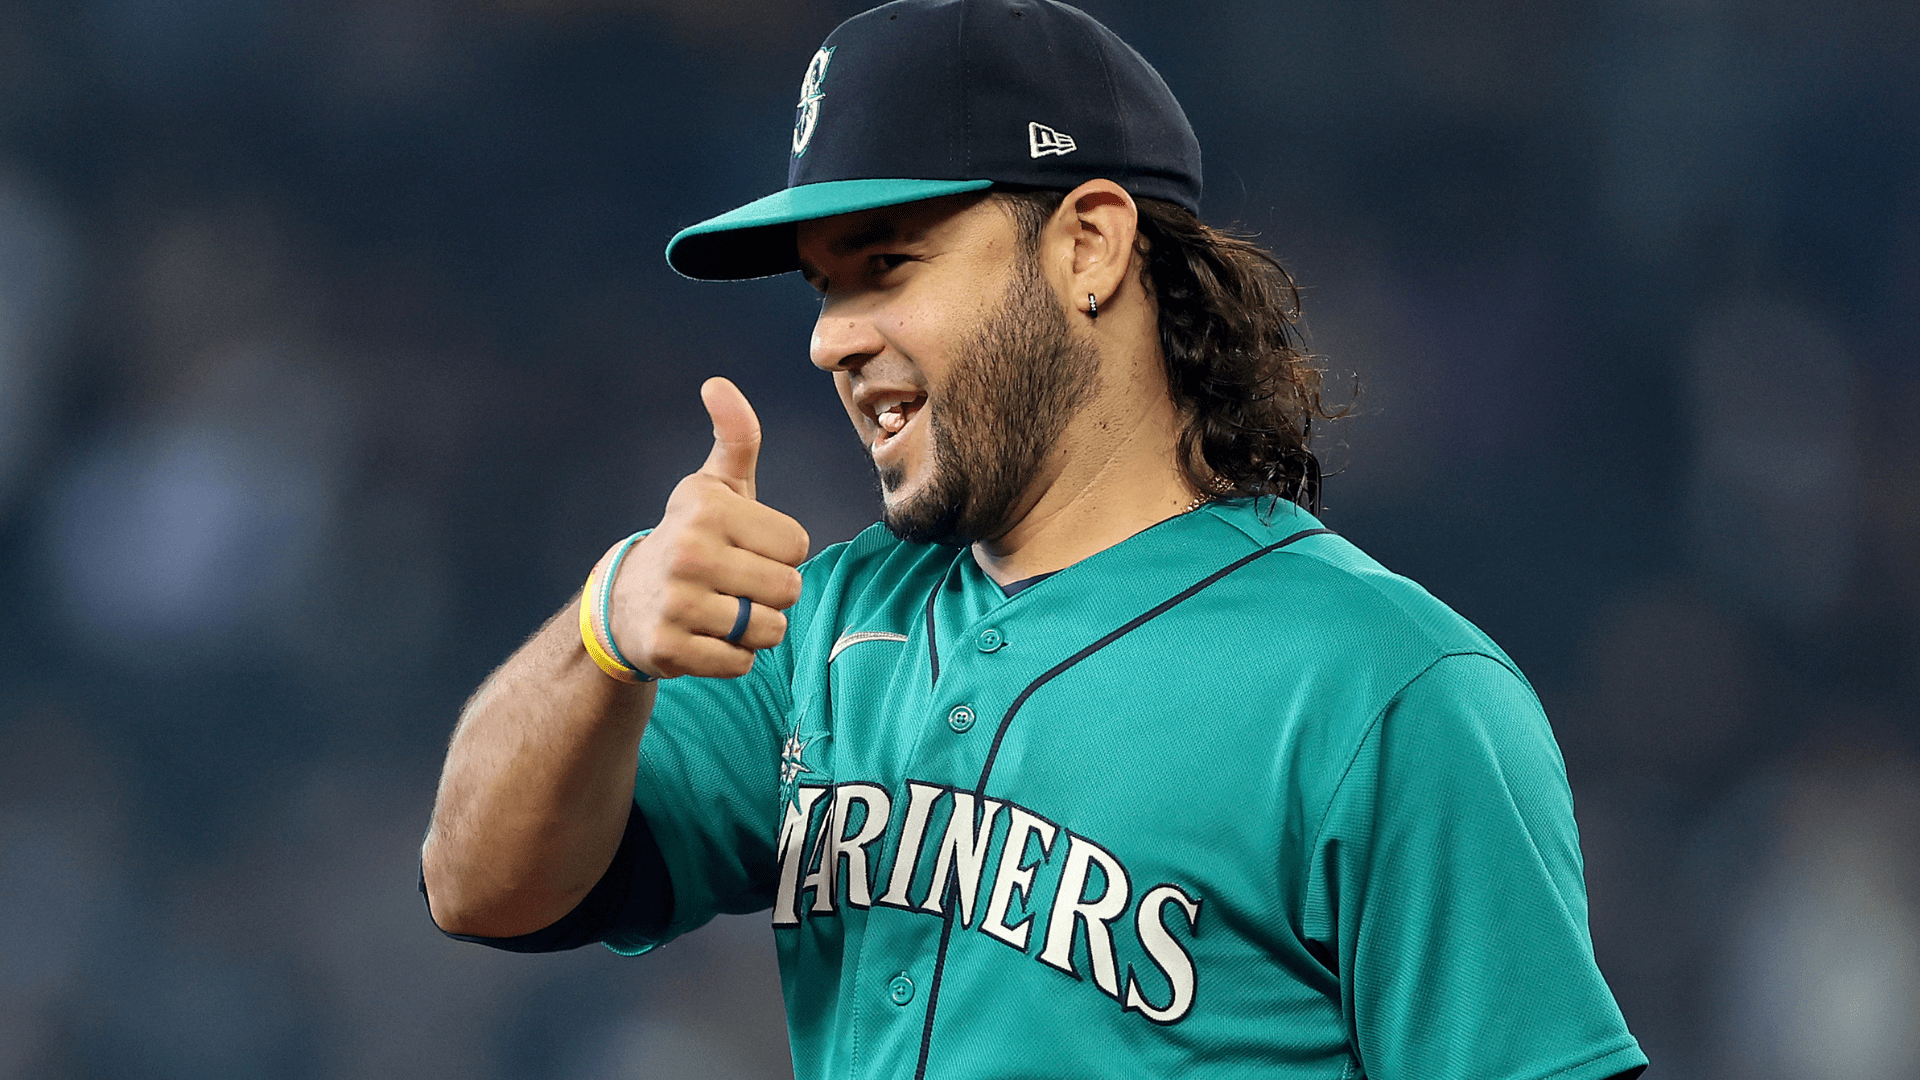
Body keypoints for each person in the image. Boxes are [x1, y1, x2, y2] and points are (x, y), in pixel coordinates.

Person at [421, 1, 1649, 1077]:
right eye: (823, 288)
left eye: (887, 264)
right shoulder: (821, 626)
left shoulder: (1386, 690)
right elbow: (479, 885)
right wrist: (606, 630)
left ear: (1090, 245)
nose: (830, 339)